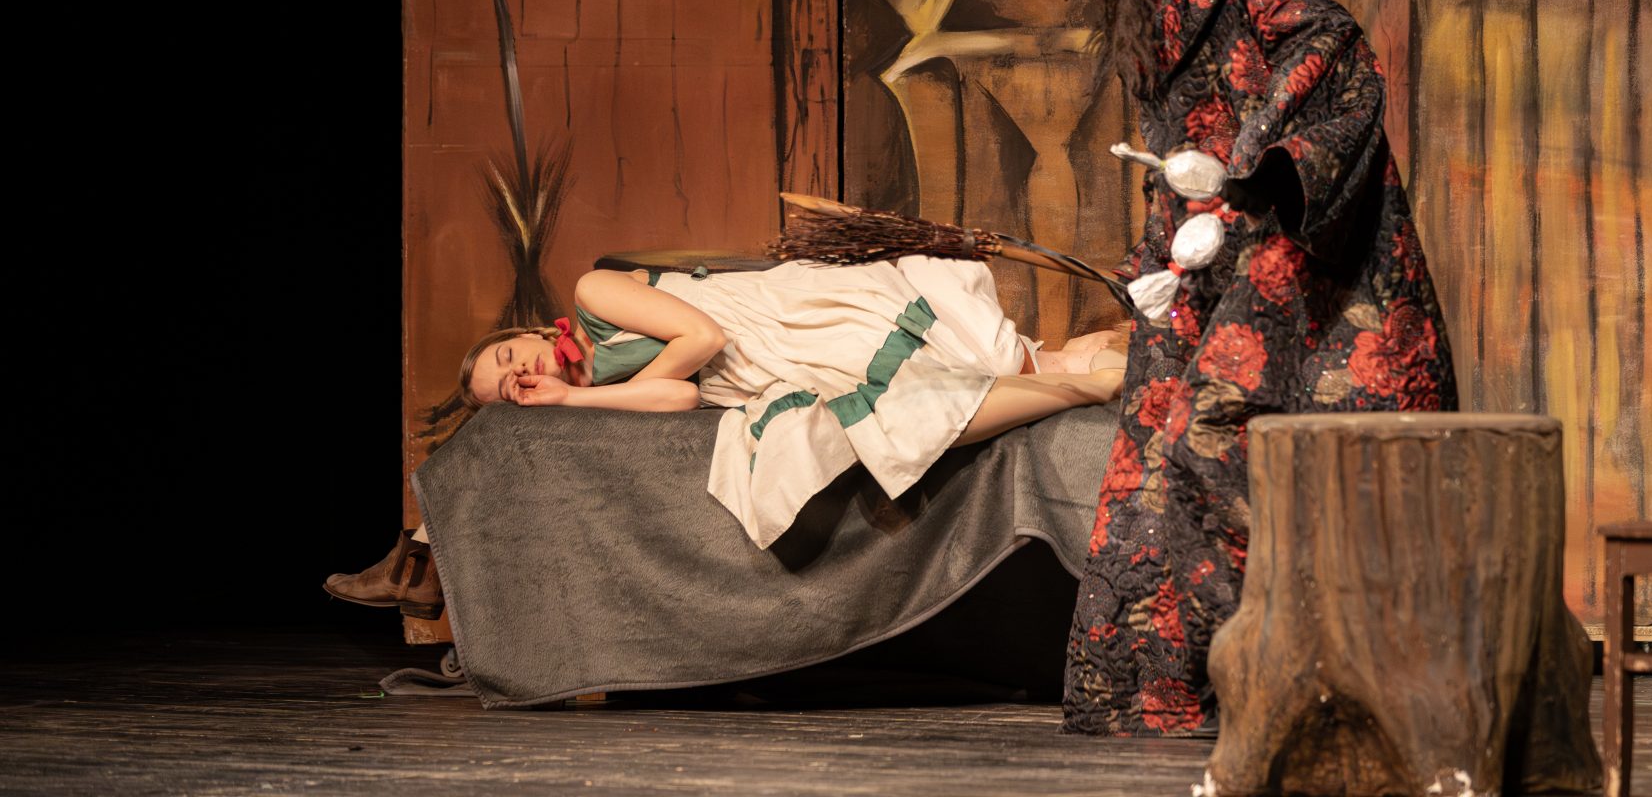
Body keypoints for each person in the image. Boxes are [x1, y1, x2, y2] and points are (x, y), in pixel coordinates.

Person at [1025, 0, 1457, 737]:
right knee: (1154, 449)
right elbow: (1180, 148)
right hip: (1212, 254)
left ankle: (1292, 683)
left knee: (1222, 441)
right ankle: (1159, 692)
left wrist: (1254, 166)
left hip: (1297, 241)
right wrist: (1156, 265)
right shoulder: (1152, 5)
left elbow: (1334, 53)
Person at [326, 256, 1127, 611]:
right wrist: (570, 402)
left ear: (531, 332)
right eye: (508, 388)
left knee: (948, 385)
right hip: (772, 371)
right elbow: (677, 398)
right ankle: (1093, 371)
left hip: (787, 327)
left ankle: (1091, 377)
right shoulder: (591, 394)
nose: (521, 372)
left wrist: (596, 392)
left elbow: (702, 338)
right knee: (922, 408)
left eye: (511, 356)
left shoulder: (594, 291)